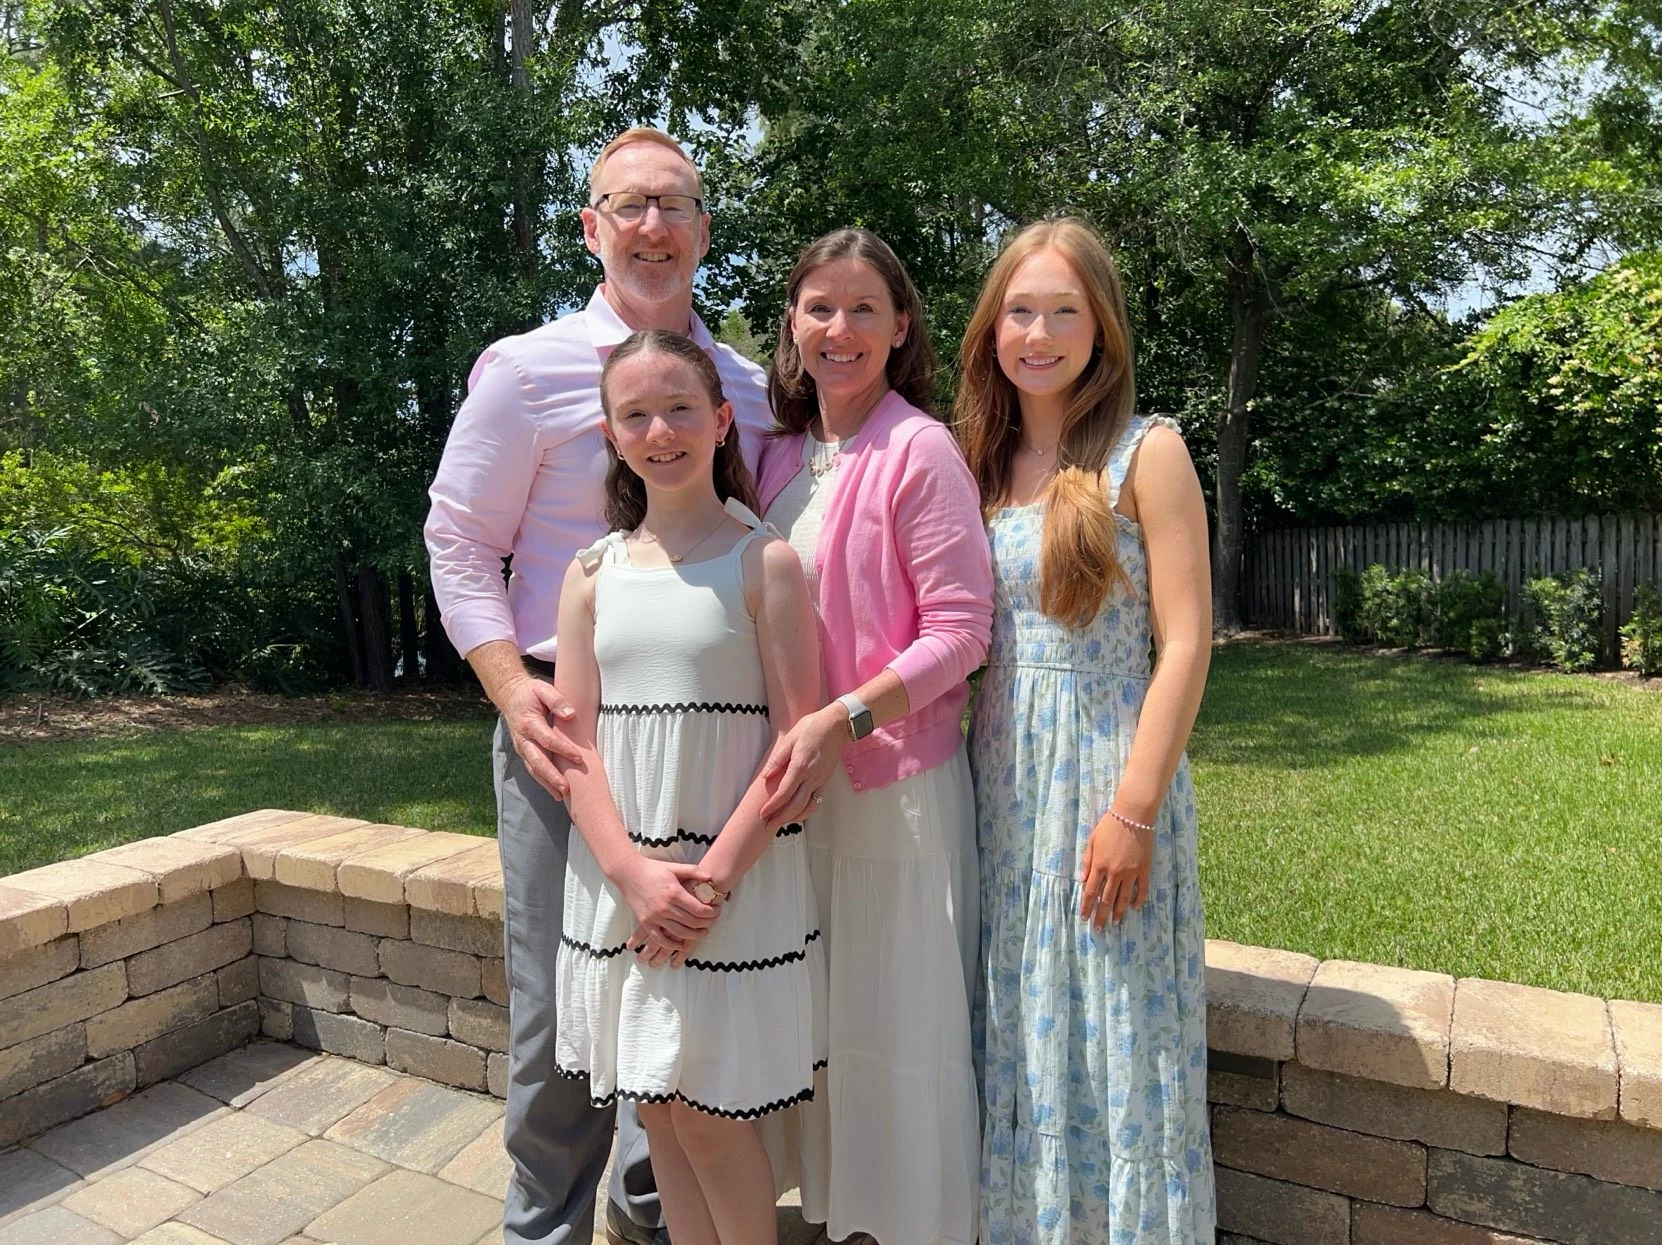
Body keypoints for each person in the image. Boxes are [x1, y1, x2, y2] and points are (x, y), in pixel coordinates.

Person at [424, 128, 775, 1245]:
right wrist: (506, 689)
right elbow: (457, 541)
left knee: (682, 993)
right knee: (558, 1012)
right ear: (592, 227)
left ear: (704, 230)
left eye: (675, 205)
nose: (653, 227)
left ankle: (652, 1215)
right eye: (629, 205)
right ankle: (544, 1228)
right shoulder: (526, 373)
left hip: (705, 737)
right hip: (559, 728)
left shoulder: (750, 390)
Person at [954, 217, 1215, 1244]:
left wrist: (1133, 812)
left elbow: (1186, 643)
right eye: (1021, 310)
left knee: (1118, 1037)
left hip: (1108, 776)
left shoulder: (1147, 452)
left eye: (1066, 311)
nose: (1041, 333)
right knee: (1023, 1027)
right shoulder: (982, 461)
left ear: (1101, 327)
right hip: (1003, 785)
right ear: (993, 328)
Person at [551, 329, 824, 1245]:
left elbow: (794, 742)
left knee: (709, 1114)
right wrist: (633, 876)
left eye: (679, 408)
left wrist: (707, 886)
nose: (659, 431)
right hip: (625, 885)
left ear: (720, 420)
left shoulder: (763, 562)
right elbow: (576, 749)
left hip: (728, 885)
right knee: (659, 1107)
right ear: (611, 434)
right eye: (635, 414)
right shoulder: (591, 576)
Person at [753, 227, 993, 1245]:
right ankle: (840, 1214)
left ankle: (908, 1225)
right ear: (792, 324)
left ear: (901, 328)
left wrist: (840, 718)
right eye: (820, 307)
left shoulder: (920, 449)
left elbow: (963, 633)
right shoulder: (772, 454)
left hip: (893, 791)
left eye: (864, 309)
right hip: (793, 796)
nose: (840, 328)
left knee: (894, 1027)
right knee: (821, 1023)